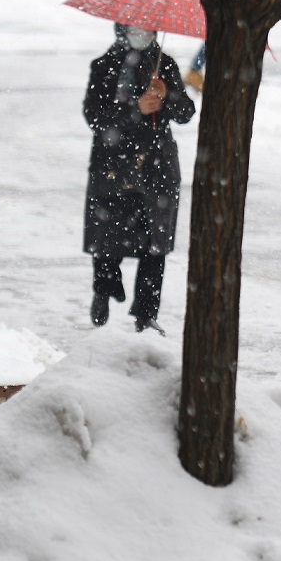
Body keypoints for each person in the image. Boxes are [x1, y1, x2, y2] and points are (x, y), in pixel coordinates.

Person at [83, 24, 195, 334]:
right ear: (121, 28)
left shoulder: (164, 65)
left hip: (156, 168)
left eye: (147, 28)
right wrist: (135, 109)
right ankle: (104, 288)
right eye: (134, 28)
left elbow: (186, 112)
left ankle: (146, 313)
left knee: (154, 244)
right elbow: (95, 116)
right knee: (108, 236)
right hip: (114, 166)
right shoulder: (104, 66)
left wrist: (167, 95)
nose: (141, 34)